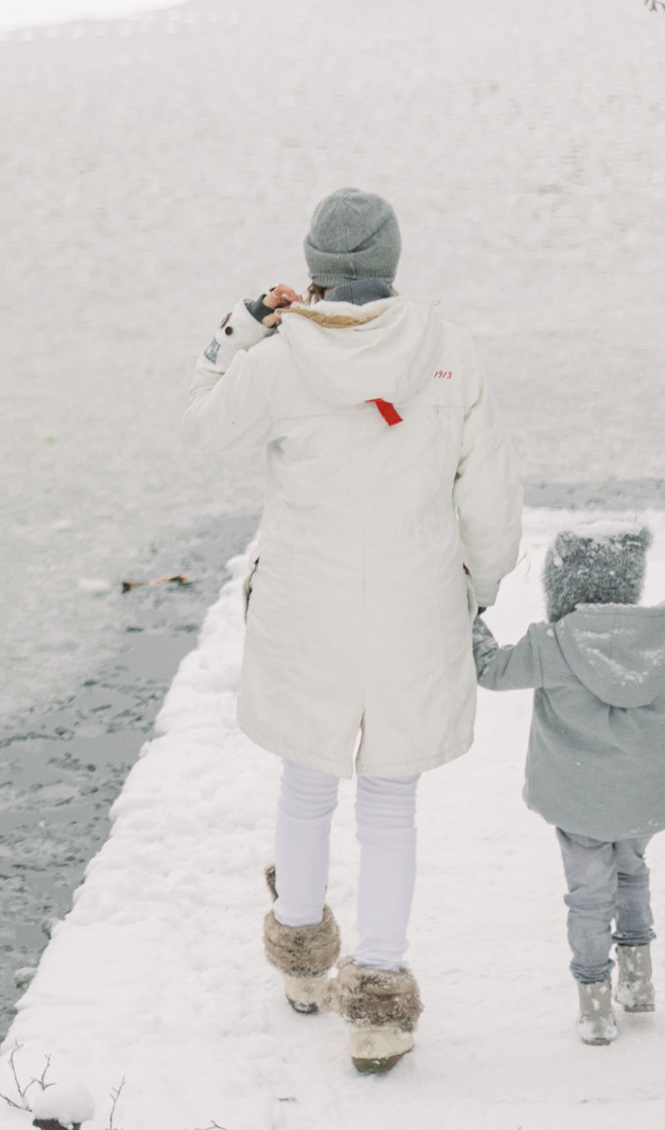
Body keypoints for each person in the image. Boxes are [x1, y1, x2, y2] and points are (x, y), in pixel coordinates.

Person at [189, 188, 522, 1073]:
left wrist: (244, 323)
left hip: (307, 608)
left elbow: (202, 426)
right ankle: (378, 1003)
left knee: (306, 780)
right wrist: (475, 590)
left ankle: (302, 968)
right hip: (416, 605)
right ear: (393, 262)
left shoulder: (279, 359)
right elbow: (489, 498)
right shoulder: (450, 349)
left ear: (313, 271)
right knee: (391, 803)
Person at [470, 525, 665, 1045]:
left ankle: (595, 1008)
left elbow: (490, 669)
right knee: (631, 872)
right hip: (643, 799)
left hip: (579, 799)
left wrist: (468, 615)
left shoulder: (552, 645)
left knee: (589, 894)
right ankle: (637, 985)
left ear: (560, 587)